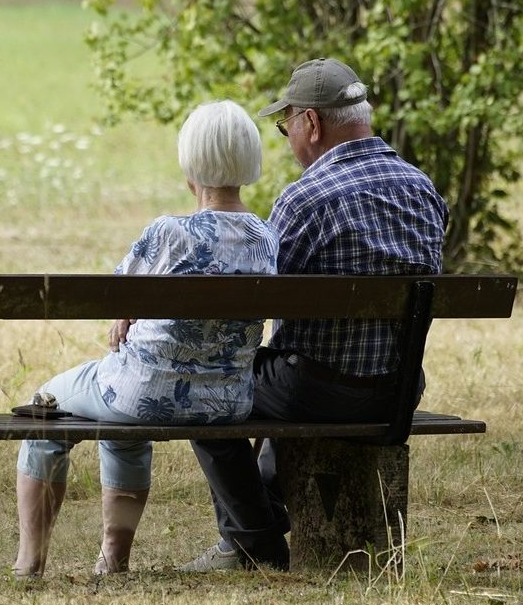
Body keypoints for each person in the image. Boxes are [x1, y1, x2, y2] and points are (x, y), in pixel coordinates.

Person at [180, 58, 449, 572]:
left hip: (316, 391)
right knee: (289, 367)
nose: (288, 139)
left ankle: (253, 542)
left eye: (286, 128)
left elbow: (257, 303)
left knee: (205, 385)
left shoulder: (305, 199)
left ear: (311, 123)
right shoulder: (423, 190)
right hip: (398, 390)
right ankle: (262, 516)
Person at [13, 100, 279, 578]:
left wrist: (125, 312)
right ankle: (113, 559)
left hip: (142, 394)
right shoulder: (267, 237)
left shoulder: (169, 233)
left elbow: (113, 294)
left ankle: (29, 562)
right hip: (226, 402)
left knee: (45, 406)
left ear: (190, 163)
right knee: (120, 417)